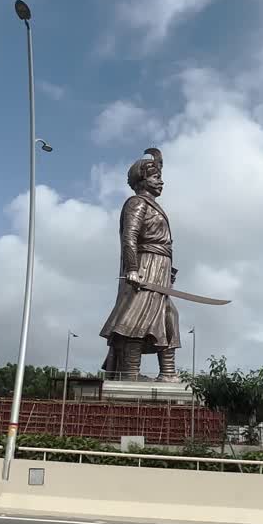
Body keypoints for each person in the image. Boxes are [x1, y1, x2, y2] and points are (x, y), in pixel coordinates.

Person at [99, 149, 181, 382]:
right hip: (145, 266)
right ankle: (130, 374)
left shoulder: (152, 205)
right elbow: (130, 237)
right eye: (156, 177)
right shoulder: (136, 203)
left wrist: (170, 270)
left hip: (161, 268)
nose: (161, 181)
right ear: (142, 180)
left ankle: (167, 373)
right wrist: (132, 269)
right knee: (137, 318)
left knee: (168, 315)